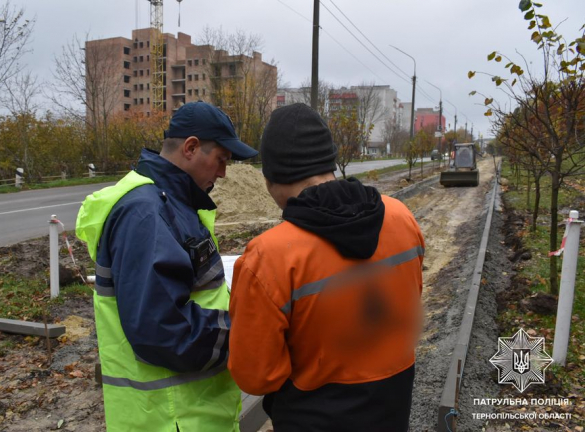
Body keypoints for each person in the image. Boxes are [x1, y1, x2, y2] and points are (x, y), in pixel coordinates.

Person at [228, 103, 425, 432]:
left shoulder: (267, 257)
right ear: (330, 161)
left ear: (270, 177)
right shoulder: (401, 217)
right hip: (392, 410)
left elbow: (257, 376)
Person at [76, 101, 258, 432]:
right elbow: (161, 330)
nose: (223, 173)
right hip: (170, 417)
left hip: (189, 409)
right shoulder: (145, 214)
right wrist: (248, 329)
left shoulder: (171, 202)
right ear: (190, 148)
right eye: (221, 160)